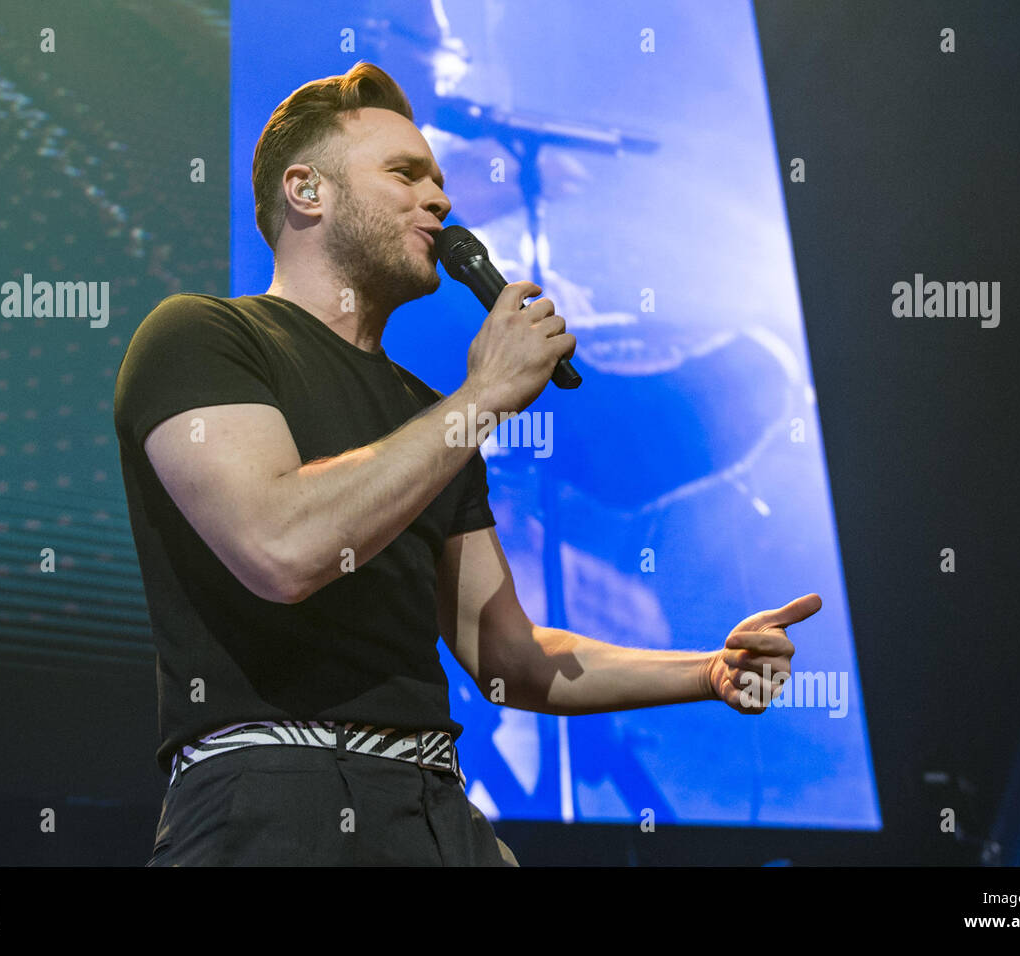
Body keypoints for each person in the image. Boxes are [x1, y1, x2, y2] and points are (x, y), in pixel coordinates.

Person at [113, 61, 821, 866]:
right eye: (405, 174)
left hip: (436, 812)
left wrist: (708, 671)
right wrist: (480, 398)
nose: (441, 199)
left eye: (440, 180)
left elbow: (511, 659)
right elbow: (281, 548)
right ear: (307, 191)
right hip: (275, 800)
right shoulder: (201, 337)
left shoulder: (430, 418)